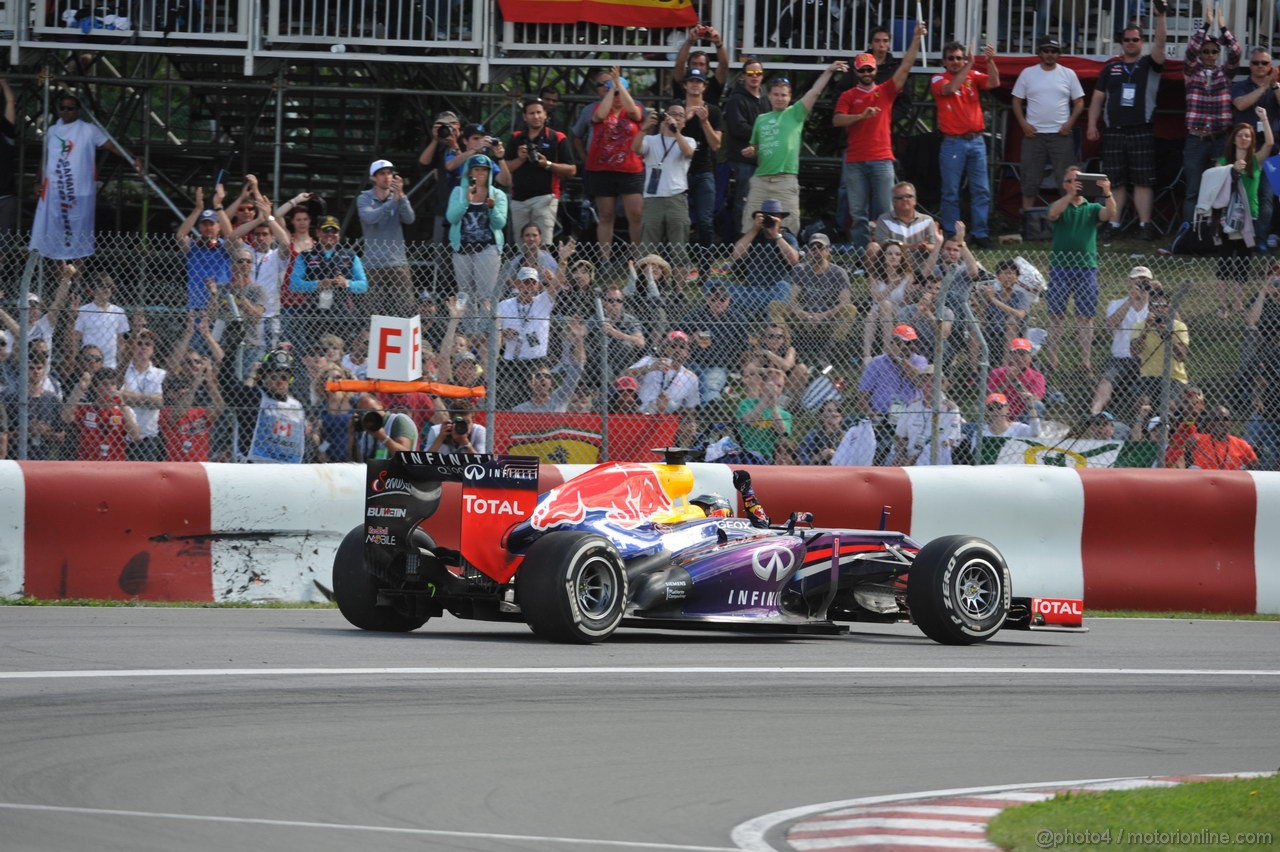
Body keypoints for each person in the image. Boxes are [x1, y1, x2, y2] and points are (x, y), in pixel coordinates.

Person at [834, 23, 925, 252]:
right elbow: (837, 120)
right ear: (856, 72)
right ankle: (863, 256)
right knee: (858, 213)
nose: (866, 74)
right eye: (862, 70)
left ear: (875, 70)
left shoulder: (884, 91)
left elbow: (905, 67)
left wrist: (916, 39)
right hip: (855, 160)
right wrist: (861, 115)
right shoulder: (848, 95)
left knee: (886, 210)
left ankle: (889, 254)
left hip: (882, 158)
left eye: (870, 70)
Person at [30, 94, 144, 261]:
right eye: (63, 108)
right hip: (54, 193)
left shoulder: (89, 129)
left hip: (79, 193)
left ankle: (76, 280)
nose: (66, 111)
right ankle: (62, 283)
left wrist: (133, 158)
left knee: (79, 235)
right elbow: (46, 157)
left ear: (78, 111)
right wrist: (37, 180)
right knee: (54, 235)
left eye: (70, 108)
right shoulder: (53, 130)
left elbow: (112, 146)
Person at [741, 60, 849, 235]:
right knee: (749, 224)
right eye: (775, 94)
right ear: (769, 96)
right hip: (761, 179)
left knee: (790, 225)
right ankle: (744, 261)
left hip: (785, 179)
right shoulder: (761, 119)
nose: (779, 98)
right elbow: (755, 146)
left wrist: (829, 71)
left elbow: (814, 92)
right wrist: (752, 150)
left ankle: (789, 260)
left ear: (790, 97)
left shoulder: (795, 113)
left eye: (783, 95)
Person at [1086, 10, 1167, 241]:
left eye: (1136, 39)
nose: (1131, 43)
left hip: (1141, 128)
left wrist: (1161, 17)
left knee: (1143, 180)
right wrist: (1092, 123)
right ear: (1121, 43)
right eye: (1127, 39)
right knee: (1114, 182)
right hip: (1114, 131)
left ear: (1142, 42)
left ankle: (1144, 224)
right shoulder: (1110, 68)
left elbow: (1161, 44)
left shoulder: (1150, 64)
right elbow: (1097, 99)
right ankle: (1114, 222)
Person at [1045, 165, 1116, 374]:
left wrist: (1107, 193)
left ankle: (1085, 362)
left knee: (1085, 316)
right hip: (1060, 266)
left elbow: (1110, 214)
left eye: (1079, 182)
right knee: (1055, 314)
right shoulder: (1060, 204)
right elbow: (1053, 214)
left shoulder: (1092, 208)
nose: (1074, 185)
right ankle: (1053, 360)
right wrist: (1070, 196)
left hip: (1086, 268)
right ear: (1064, 184)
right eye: (1070, 181)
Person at [931, 42, 1001, 247]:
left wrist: (990, 62)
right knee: (951, 191)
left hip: (976, 140)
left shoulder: (972, 74)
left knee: (981, 190)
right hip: (953, 142)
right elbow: (951, 88)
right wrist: (969, 65)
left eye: (959, 58)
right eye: (951, 58)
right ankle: (953, 235)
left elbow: (994, 82)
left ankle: (980, 233)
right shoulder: (938, 78)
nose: (955, 62)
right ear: (944, 62)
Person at [1183, 0, 1243, 224]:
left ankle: (1218, 234)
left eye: (1213, 51)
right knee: (1193, 189)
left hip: (1220, 138)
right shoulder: (1191, 71)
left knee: (1222, 188)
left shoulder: (1224, 73)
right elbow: (1189, 51)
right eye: (1205, 51)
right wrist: (1206, 27)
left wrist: (1224, 29)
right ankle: (1190, 233)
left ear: (1218, 53)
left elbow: (1236, 52)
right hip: (1196, 138)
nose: (1209, 54)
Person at [1012, 36, 1085, 211]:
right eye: (1046, 51)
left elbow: (1079, 102)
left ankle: (1070, 218)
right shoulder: (1027, 73)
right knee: (1030, 178)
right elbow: (1016, 101)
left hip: (1061, 135)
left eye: (1053, 51)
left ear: (1058, 54)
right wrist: (1023, 124)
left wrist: (1069, 124)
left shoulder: (1068, 74)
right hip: (1033, 135)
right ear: (1040, 53)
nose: (1050, 55)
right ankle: (1028, 220)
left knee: (1068, 179)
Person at [1215, 115, 1273, 318]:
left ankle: (1238, 301)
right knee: (1225, 257)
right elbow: (1214, 187)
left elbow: (1270, 143)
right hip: (1227, 217)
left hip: (1250, 216)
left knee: (1243, 259)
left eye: (1247, 136)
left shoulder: (1255, 161)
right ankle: (1223, 304)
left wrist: (1264, 119)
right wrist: (1231, 171)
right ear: (1233, 139)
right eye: (1240, 135)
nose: (1244, 139)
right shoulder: (1222, 162)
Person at [767, 232, 856, 363]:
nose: (817, 251)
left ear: (828, 251)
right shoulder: (801, 270)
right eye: (813, 248)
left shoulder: (838, 272)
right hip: (802, 320)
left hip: (828, 321)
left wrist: (822, 316)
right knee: (775, 305)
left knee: (850, 309)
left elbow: (845, 301)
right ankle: (786, 347)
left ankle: (828, 353)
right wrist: (805, 315)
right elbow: (791, 300)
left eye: (821, 248)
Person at [587, 66, 645, 264]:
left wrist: (619, 84)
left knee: (636, 214)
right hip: (602, 169)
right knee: (606, 215)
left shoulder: (634, 109)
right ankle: (605, 260)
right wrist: (612, 89)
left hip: (630, 169)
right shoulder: (598, 107)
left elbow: (635, 114)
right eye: (616, 92)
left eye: (621, 92)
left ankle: (637, 259)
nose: (618, 96)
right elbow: (600, 117)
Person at [501, 98, 576, 245]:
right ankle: (523, 268)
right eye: (531, 113)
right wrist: (520, 159)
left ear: (545, 114)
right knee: (521, 245)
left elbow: (572, 169)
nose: (536, 116)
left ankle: (542, 268)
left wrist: (547, 164)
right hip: (519, 198)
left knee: (543, 245)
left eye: (539, 112)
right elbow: (505, 167)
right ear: (524, 116)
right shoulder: (516, 137)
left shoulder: (557, 137)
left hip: (546, 197)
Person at [448, 154, 508, 331]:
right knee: (465, 294)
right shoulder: (458, 192)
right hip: (462, 249)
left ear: (489, 173)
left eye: (484, 170)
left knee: (486, 294)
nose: (480, 173)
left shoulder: (498, 194)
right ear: (470, 172)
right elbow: (451, 217)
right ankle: (468, 332)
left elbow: (500, 224)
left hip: (487, 249)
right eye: (476, 169)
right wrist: (467, 201)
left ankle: (484, 333)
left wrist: (491, 208)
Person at [287, 215, 369, 341]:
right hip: (314, 312)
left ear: (339, 233)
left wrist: (346, 283)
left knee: (339, 350)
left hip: (341, 313)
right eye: (326, 231)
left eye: (334, 231)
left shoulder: (350, 255)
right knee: (314, 353)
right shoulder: (305, 255)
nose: (330, 234)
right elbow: (294, 285)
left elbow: (364, 285)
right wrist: (318, 284)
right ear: (318, 232)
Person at [857, 324, 928, 462]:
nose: (911, 347)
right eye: (906, 343)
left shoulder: (919, 360)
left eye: (913, 343)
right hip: (882, 416)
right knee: (879, 447)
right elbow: (862, 394)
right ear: (895, 343)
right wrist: (870, 413)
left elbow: (920, 381)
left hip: (910, 416)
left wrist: (901, 360)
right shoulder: (877, 363)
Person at [634, 102, 697, 258]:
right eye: (672, 114)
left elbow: (688, 152)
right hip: (653, 199)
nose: (676, 118)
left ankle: (679, 283)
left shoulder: (689, 140)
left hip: (677, 197)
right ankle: (645, 282)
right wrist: (643, 129)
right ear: (665, 117)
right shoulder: (650, 139)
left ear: (684, 121)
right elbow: (635, 149)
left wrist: (675, 131)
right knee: (647, 248)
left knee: (679, 249)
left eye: (680, 115)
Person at [1232, 47, 1280, 247]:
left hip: (1272, 147)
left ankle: (1262, 239)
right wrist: (1263, 88)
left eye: (1264, 63)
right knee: (1244, 196)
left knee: (1268, 196)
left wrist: (1274, 85)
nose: (1260, 66)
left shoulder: (1276, 86)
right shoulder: (1240, 85)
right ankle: (1241, 238)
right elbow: (1241, 104)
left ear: (1270, 67)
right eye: (1256, 63)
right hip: (1246, 149)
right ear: (1249, 65)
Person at [357, 158, 416, 317]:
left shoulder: (398, 197)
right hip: (372, 263)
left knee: (406, 308)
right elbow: (370, 218)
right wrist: (392, 202)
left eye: (390, 173)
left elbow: (410, 218)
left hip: (397, 261)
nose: (387, 177)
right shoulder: (364, 198)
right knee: (371, 310)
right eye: (382, 173)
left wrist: (401, 196)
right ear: (373, 178)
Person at [1090, 266, 1152, 416]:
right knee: (1106, 381)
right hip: (1120, 357)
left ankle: (1140, 423)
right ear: (1129, 282)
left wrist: (1158, 295)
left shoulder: (1156, 306)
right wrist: (1130, 301)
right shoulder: (1116, 304)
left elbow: (1177, 325)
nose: (1141, 284)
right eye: (1137, 280)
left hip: (1147, 358)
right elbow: (1111, 325)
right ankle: (1093, 412)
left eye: (1145, 281)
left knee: (1143, 393)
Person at [729, 198, 800, 316]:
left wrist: (776, 235)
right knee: (713, 284)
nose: (769, 220)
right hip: (751, 291)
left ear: (780, 219)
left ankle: (772, 325)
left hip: (775, 293)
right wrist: (754, 229)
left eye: (773, 217)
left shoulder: (787, 237)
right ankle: (747, 318)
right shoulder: (754, 237)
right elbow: (736, 255)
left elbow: (793, 260)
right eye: (767, 216)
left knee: (784, 286)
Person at [679, 282, 748, 403]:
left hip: (719, 365)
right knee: (689, 384)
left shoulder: (737, 319)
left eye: (722, 299)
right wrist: (692, 338)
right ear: (707, 299)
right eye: (714, 299)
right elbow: (677, 337)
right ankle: (709, 405)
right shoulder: (695, 316)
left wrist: (741, 369)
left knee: (711, 385)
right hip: (693, 362)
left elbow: (744, 348)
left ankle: (710, 408)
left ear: (728, 300)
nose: (718, 303)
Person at [723, 57, 768, 241]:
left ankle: (758, 243)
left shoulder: (766, 98)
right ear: (743, 76)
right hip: (743, 162)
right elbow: (738, 128)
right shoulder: (735, 100)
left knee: (762, 204)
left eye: (758, 73)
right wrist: (766, 134)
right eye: (750, 73)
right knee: (743, 203)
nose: (754, 77)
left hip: (764, 161)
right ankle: (738, 243)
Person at [680, 67, 723, 251]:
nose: (695, 84)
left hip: (704, 170)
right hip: (678, 171)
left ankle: (704, 268)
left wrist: (705, 122)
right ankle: (677, 265)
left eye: (698, 81)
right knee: (679, 222)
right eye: (691, 81)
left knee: (705, 222)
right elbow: (666, 135)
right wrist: (686, 118)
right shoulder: (676, 107)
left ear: (704, 86)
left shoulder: (713, 111)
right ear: (685, 84)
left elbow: (716, 145)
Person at [61, 366, 138, 461]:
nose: (109, 388)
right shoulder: (87, 408)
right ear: (96, 388)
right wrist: (79, 389)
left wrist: (122, 405)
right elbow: (66, 417)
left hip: (115, 464)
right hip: (87, 462)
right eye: (105, 384)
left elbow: (135, 436)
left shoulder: (124, 410)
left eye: (113, 384)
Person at [176, 187, 232, 313]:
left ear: (219, 227)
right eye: (204, 224)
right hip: (197, 304)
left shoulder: (224, 246)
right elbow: (180, 236)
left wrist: (218, 206)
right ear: (199, 227)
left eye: (211, 224)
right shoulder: (193, 246)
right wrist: (197, 209)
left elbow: (230, 236)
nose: (208, 228)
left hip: (221, 305)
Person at [1130, 285, 1190, 402]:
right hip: (1148, 377)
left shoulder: (1179, 326)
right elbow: (1134, 352)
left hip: (1174, 377)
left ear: (1169, 307)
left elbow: (1181, 356)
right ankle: (1140, 420)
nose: (1159, 309)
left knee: (1170, 404)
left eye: (1163, 306)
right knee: (1142, 402)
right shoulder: (1139, 326)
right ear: (1149, 307)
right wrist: (1145, 331)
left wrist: (1166, 334)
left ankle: (1167, 419)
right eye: (1155, 306)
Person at [512, 321, 586, 413]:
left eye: (547, 376)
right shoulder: (520, 410)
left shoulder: (559, 398)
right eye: (538, 376)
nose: (543, 378)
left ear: (551, 382)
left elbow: (577, 369)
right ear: (530, 383)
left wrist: (578, 339)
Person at [160, 358, 225, 463]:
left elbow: (219, 407)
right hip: (176, 464)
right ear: (170, 394)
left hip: (201, 464)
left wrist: (209, 381)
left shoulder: (199, 412)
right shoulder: (165, 412)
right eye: (179, 388)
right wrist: (194, 386)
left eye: (186, 388)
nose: (185, 391)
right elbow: (179, 414)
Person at [862, 239, 916, 361]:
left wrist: (910, 292)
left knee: (882, 307)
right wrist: (891, 285)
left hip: (899, 311)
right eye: (889, 253)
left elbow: (907, 302)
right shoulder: (874, 275)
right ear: (883, 256)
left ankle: (885, 352)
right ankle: (867, 356)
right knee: (873, 313)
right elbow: (876, 299)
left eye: (897, 254)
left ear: (902, 258)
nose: (893, 257)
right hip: (878, 310)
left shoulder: (907, 276)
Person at [623, 329, 700, 414]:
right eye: (673, 346)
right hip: (641, 414)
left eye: (682, 347)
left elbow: (691, 408)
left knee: (672, 405)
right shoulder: (649, 361)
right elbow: (622, 376)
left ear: (687, 352)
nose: (677, 350)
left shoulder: (691, 377)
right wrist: (649, 368)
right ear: (664, 348)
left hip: (669, 419)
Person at [118, 327, 166, 461]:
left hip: (149, 439)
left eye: (147, 344)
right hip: (122, 436)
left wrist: (131, 398)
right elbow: (118, 396)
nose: (143, 347)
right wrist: (148, 400)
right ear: (132, 346)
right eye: (139, 343)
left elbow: (160, 402)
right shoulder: (123, 372)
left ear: (153, 349)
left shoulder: (160, 374)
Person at [866, 182, 938, 270]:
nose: (904, 199)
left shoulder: (927, 220)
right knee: (872, 247)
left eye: (908, 196)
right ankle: (873, 282)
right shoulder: (884, 219)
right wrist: (912, 246)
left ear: (915, 200)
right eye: (899, 197)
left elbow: (934, 246)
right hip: (892, 269)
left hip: (921, 268)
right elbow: (883, 245)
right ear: (893, 202)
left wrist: (925, 247)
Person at [1165, 404, 1257, 469]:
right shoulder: (1198, 440)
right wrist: (1189, 416)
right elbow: (1179, 440)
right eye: (1217, 419)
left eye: (1225, 419)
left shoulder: (1241, 444)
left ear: (1231, 423)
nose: (1221, 422)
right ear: (1209, 424)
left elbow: (1255, 466)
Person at [417, 110, 462, 242]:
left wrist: (455, 145)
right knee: (441, 251)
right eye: (442, 125)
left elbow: (465, 168)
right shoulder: (439, 146)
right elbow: (423, 164)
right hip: (444, 207)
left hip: (464, 206)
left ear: (457, 125)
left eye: (449, 125)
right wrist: (435, 140)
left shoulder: (467, 141)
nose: (446, 129)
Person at [72, 274, 130, 369]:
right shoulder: (83, 310)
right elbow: (75, 338)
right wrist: (75, 361)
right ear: (94, 290)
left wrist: (121, 363)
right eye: (102, 286)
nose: (106, 289)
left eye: (109, 287)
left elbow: (121, 341)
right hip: (89, 362)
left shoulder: (119, 312)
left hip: (111, 364)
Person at [737, 367, 792, 461]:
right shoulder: (746, 404)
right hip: (746, 452)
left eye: (779, 386)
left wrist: (773, 407)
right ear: (762, 385)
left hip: (769, 456)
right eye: (772, 385)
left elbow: (782, 432)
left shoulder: (785, 414)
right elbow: (748, 422)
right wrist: (764, 401)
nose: (775, 389)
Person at [987, 337, 1047, 421]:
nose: (1019, 358)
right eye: (1016, 353)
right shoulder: (997, 372)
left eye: (1023, 354)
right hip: (1001, 418)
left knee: (1038, 405)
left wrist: (1016, 381)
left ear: (1030, 356)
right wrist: (1007, 381)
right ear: (1010, 355)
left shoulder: (1037, 376)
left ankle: (1026, 433)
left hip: (1023, 418)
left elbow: (1035, 400)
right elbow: (989, 398)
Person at [352, 393, 418, 461]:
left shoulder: (397, 421)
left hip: (398, 470)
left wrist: (383, 438)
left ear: (380, 405)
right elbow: (356, 460)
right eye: (364, 413)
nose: (370, 414)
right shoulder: (366, 431)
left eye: (373, 410)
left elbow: (405, 455)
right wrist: (351, 432)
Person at [672, 25, 729, 102]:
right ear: (688, 66)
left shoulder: (713, 84)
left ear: (707, 68)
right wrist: (690, 40)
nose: (698, 67)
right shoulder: (683, 81)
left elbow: (724, 65)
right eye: (694, 64)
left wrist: (718, 43)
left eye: (701, 64)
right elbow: (679, 64)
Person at [797, 399, 847, 464]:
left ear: (841, 416)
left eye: (837, 411)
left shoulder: (847, 435)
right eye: (829, 411)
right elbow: (801, 458)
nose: (833, 414)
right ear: (822, 415)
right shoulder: (812, 435)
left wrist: (835, 456)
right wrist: (820, 456)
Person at [422, 404, 486, 453]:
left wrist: (465, 443)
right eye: (459, 421)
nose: (463, 425)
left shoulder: (479, 431)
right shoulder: (437, 430)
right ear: (451, 420)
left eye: (467, 422)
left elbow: (482, 462)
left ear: (473, 420)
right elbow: (425, 459)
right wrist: (440, 438)